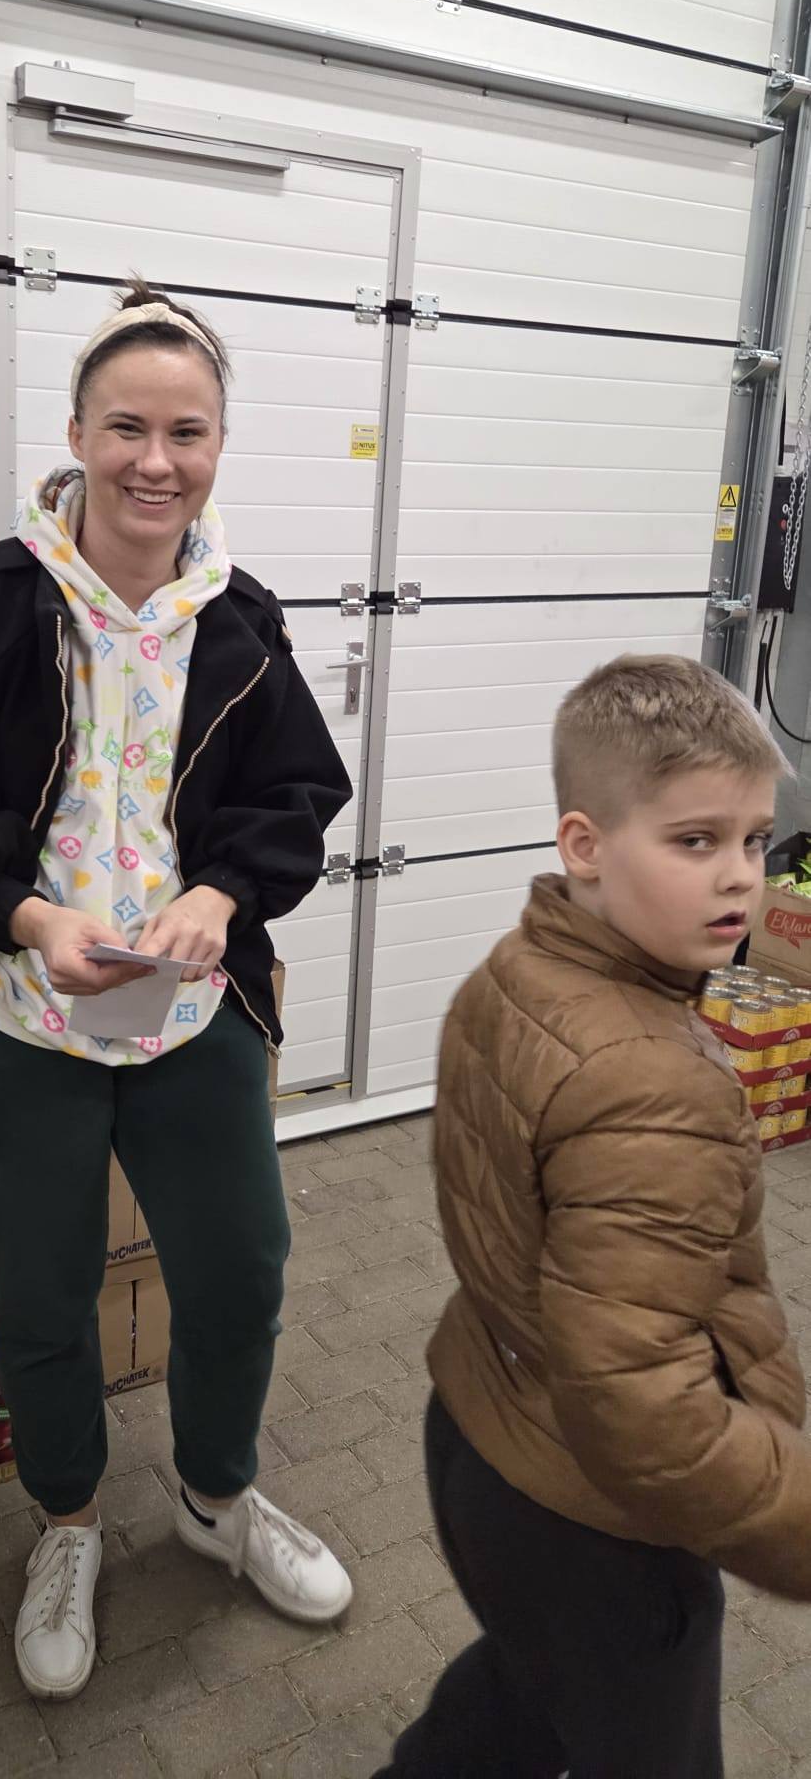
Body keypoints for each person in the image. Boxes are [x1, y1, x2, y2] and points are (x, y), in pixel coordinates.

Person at [0, 279, 355, 1701]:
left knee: (240, 1271)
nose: (154, 460)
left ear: (217, 445)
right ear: (75, 432)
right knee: (47, 1296)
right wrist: (22, 914)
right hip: (13, 1020)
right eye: (127, 426)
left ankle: (214, 1498)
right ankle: (65, 1523)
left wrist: (220, 894)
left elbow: (297, 795)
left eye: (187, 432)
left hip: (188, 1017)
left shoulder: (239, 622)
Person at [373, 655, 811, 1779]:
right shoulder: (650, 1082)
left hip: (479, 1427)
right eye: (695, 840)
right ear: (584, 844)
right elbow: (646, 1413)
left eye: (755, 839)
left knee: (521, 1701)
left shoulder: (518, 968)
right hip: (595, 1527)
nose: (741, 876)